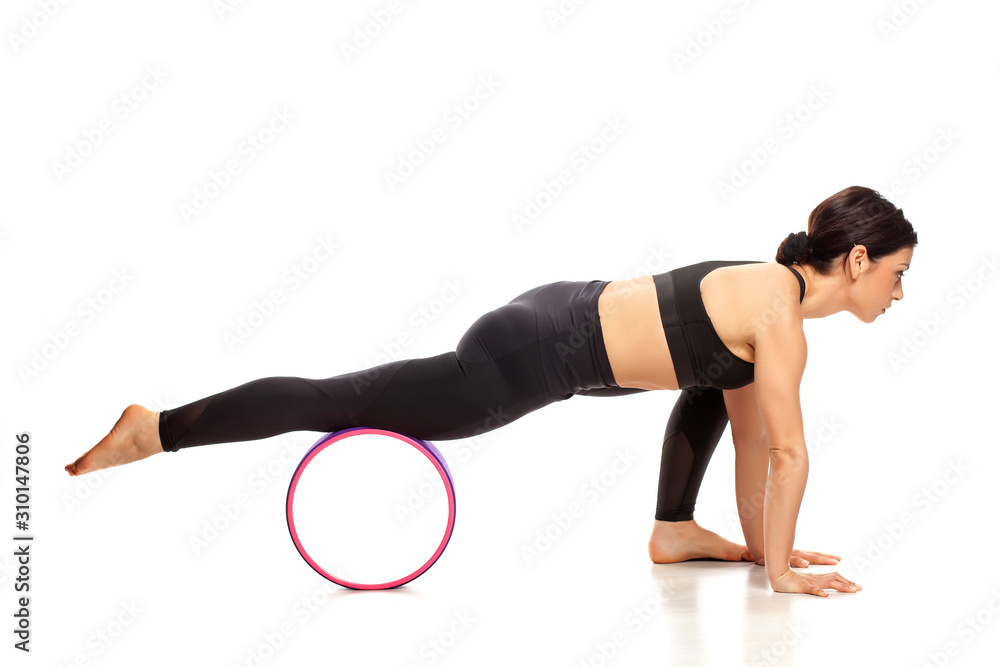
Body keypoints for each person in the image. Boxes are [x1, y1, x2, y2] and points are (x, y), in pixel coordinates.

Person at [65, 185, 916, 597]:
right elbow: (793, 449)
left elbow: (754, 440)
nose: (899, 294)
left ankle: (674, 530)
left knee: (711, 384)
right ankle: (158, 429)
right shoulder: (780, 317)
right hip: (532, 355)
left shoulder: (763, 300)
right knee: (337, 398)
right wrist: (779, 573)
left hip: (556, 313)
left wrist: (769, 548)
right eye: (898, 275)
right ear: (855, 263)